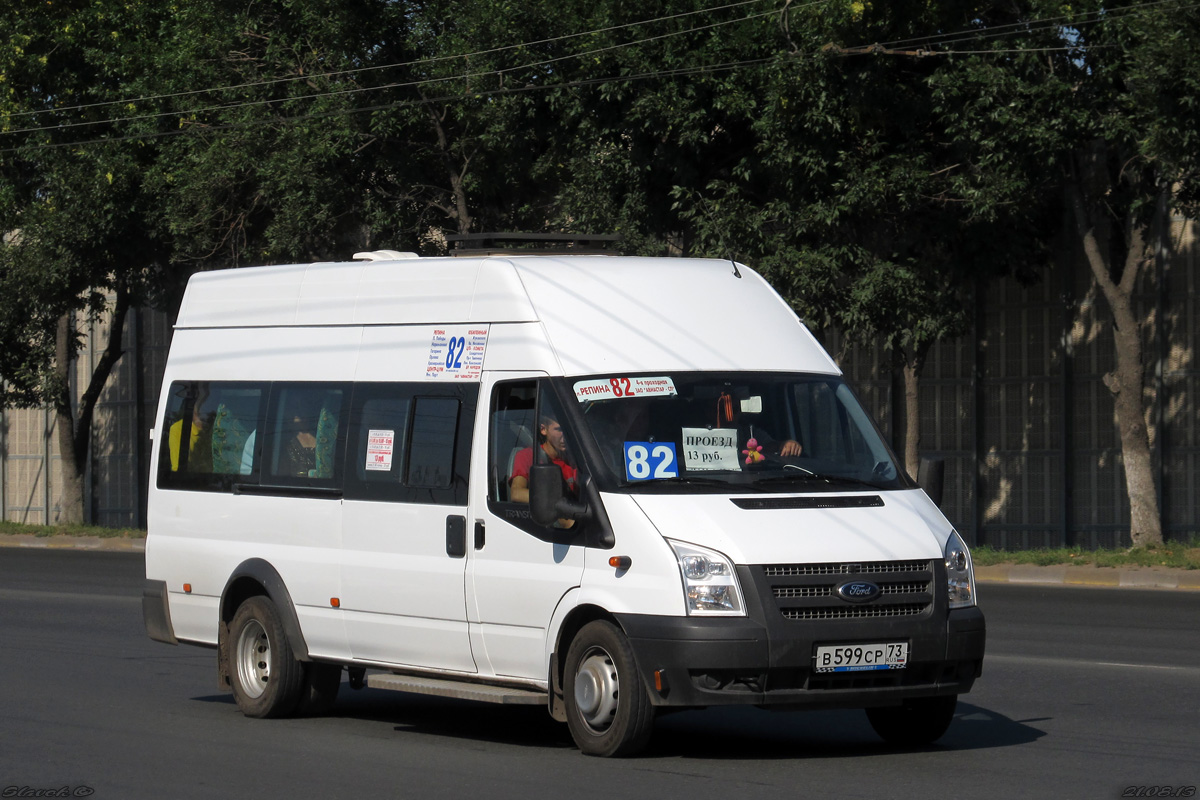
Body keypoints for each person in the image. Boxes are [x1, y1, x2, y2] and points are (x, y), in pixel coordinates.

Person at [509, 414, 578, 504]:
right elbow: (517, 493)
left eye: (567, 429)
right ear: (543, 429)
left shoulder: (575, 458)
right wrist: (557, 505)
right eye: (559, 429)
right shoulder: (528, 455)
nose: (565, 435)